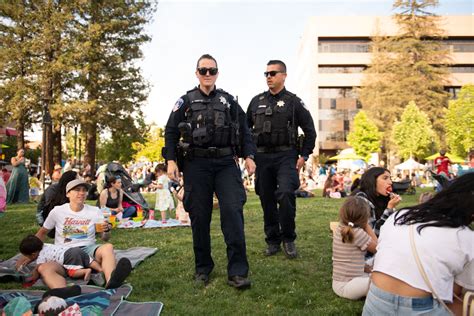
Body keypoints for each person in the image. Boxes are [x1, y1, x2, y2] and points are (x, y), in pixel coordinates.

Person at [164, 54, 256, 289]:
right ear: (196, 73)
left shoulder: (227, 100)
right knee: (199, 216)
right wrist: (171, 161)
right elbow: (171, 131)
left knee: (233, 213)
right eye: (203, 70)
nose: (207, 74)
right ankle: (203, 268)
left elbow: (245, 129)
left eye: (211, 70)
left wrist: (249, 155)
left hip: (226, 163)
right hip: (196, 164)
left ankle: (237, 271)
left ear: (217, 73)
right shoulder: (185, 101)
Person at [362, 173, 474, 315]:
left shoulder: (400, 216)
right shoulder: (467, 238)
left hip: (375, 301)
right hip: (420, 307)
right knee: (464, 304)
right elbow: (453, 294)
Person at [246, 60, 316, 259]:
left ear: (284, 75)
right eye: (266, 73)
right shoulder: (256, 101)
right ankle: (272, 240)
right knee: (266, 198)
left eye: (273, 73)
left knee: (285, 193)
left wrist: (304, 155)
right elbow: (244, 130)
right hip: (263, 157)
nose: (269, 76)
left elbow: (310, 130)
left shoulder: (293, 102)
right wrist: (249, 154)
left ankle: (288, 238)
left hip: (287, 156)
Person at [34, 179, 132, 290]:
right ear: (68, 194)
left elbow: (104, 238)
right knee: (44, 268)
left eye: (84, 190)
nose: (81, 193)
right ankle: (62, 291)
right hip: (63, 253)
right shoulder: (57, 211)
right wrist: (27, 253)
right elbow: (42, 232)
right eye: (77, 190)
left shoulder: (95, 211)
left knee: (108, 247)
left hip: (88, 250)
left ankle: (111, 283)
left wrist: (106, 230)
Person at [332, 197, 377, 300]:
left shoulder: (341, 227)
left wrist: (365, 267)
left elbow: (349, 259)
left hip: (346, 281)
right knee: (379, 281)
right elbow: (378, 248)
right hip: (347, 286)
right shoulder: (358, 233)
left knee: (372, 264)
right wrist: (366, 226)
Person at [18, 235, 103, 282]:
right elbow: (34, 255)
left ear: (33, 254)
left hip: (67, 257)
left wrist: (32, 278)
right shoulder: (46, 245)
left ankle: (85, 271)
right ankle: (100, 269)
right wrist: (30, 259)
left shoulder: (41, 258)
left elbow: (37, 269)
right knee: (89, 260)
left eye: (28, 256)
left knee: (72, 272)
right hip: (74, 250)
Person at [351, 167, 401, 237]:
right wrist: (390, 208)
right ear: (372, 180)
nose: (390, 182)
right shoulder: (360, 199)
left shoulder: (381, 197)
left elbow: (390, 225)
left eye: (390, 178)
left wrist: (392, 207)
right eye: (385, 178)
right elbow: (373, 234)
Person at [36, 171, 78, 239]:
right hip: (46, 219)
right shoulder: (53, 190)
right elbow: (48, 209)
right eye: (77, 179)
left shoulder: (71, 191)